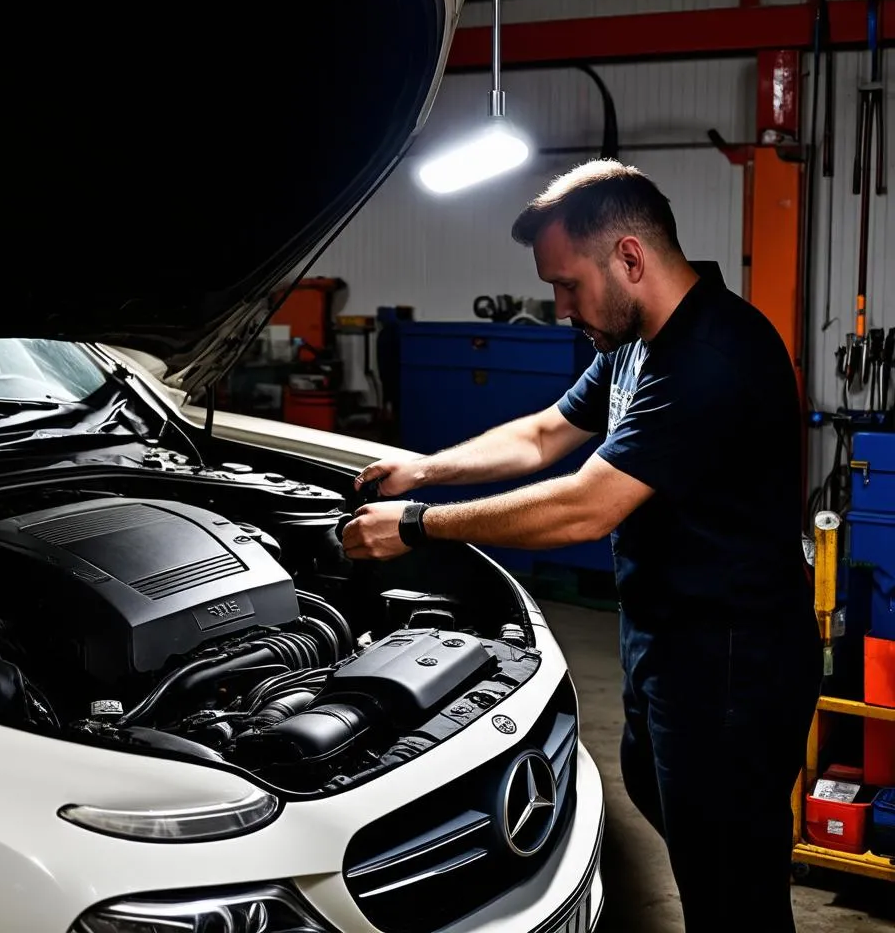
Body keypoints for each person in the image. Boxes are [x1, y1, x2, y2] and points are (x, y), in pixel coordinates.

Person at [342, 159, 822, 933]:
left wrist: (418, 524)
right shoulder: (636, 341)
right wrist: (423, 468)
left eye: (568, 286)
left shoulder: (711, 357)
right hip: (669, 643)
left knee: (734, 893)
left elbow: (585, 506)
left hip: (733, 667)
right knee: (686, 831)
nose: (562, 308)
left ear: (629, 257)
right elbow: (543, 435)